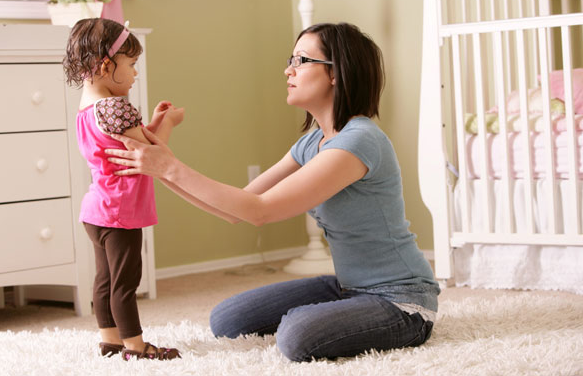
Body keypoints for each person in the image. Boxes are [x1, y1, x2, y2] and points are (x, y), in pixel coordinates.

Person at [105, 22, 440, 362]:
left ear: (336, 73)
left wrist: (169, 167)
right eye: (290, 59)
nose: (288, 69)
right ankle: (342, 312)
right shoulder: (312, 142)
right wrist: (160, 166)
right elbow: (236, 210)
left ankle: (356, 319)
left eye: (301, 60)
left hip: (401, 300)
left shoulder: (359, 141)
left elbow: (260, 211)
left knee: (297, 336)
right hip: (349, 287)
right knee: (228, 319)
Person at [64, 18, 184, 361]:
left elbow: (135, 140)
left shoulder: (87, 109)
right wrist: (171, 123)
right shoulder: (117, 107)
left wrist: (156, 123)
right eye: (131, 65)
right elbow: (153, 153)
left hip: (96, 210)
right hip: (121, 212)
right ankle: (136, 346)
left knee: (105, 279)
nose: (134, 75)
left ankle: (110, 340)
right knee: (125, 283)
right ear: (106, 65)